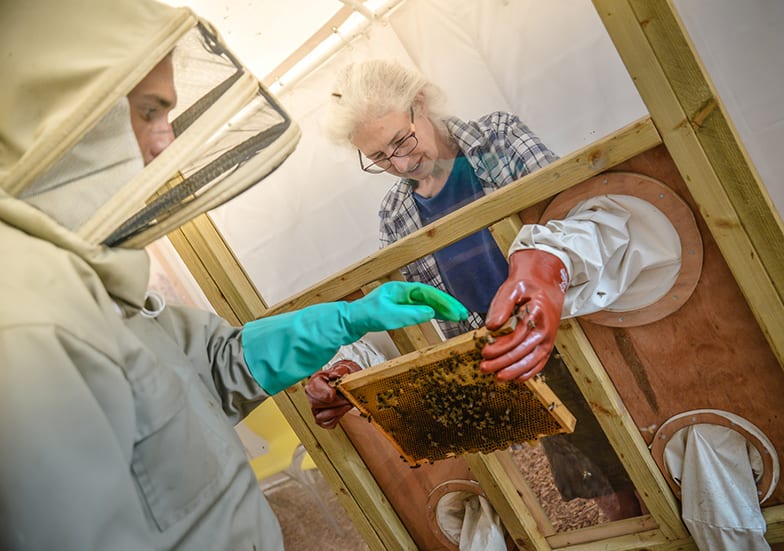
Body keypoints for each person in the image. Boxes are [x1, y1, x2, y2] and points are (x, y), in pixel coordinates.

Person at [0, 3, 469, 550]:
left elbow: (221, 364)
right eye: (149, 111)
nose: (165, 142)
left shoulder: (94, 289)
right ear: (65, 115)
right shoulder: (26, 325)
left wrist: (347, 319)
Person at [306, 58, 644, 520]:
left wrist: (547, 275)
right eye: (380, 158)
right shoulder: (394, 216)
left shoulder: (499, 140)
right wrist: (355, 366)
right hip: (513, 363)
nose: (401, 163)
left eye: (401, 141)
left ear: (420, 104)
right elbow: (409, 320)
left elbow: (577, 219)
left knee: (649, 457)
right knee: (606, 491)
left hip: (581, 334)